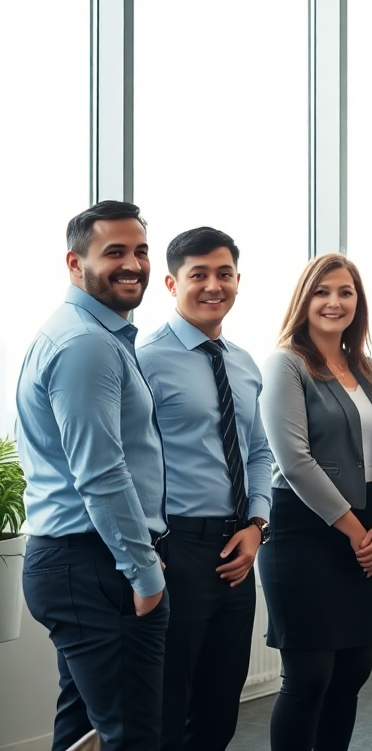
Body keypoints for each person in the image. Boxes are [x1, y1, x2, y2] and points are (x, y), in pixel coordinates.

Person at [16, 201, 168, 751]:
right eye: (115, 252)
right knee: (133, 737)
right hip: (94, 566)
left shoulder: (89, 335)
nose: (133, 264)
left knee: (85, 733)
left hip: (85, 562)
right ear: (75, 263)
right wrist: (145, 575)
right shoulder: (86, 345)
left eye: (141, 251)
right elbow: (101, 475)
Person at [258, 253, 372, 751]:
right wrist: (357, 531)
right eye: (322, 292)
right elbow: (294, 461)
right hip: (303, 532)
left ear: (357, 301)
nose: (334, 302)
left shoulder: (370, 368)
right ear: (304, 300)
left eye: (345, 292)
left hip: (366, 528)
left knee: (353, 670)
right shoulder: (286, 364)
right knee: (310, 675)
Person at [136, 227, 273, 751]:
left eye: (224, 273)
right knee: (169, 704)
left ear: (238, 280)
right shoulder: (145, 361)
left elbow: (259, 453)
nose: (213, 285)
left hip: (238, 548)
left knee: (221, 702)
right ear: (171, 283)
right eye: (199, 275)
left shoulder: (243, 362)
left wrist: (256, 526)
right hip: (176, 548)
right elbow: (126, 462)